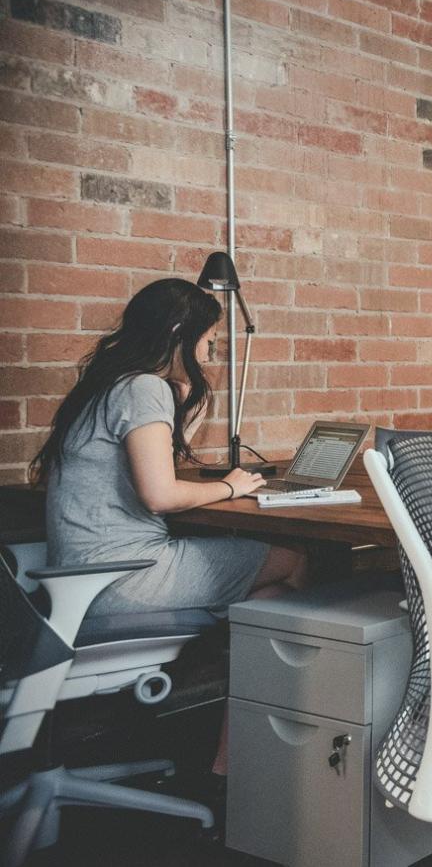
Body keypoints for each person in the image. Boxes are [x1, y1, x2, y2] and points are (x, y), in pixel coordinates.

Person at [32, 277, 306, 775]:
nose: (209, 353)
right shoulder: (142, 388)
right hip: (125, 579)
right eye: (207, 342)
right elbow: (160, 494)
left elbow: (164, 459)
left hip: (79, 582)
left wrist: (186, 394)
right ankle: (240, 755)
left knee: (268, 600)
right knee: (294, 561)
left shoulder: (106, 386)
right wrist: (232, 487)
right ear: (180, 332)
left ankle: (231, 758)